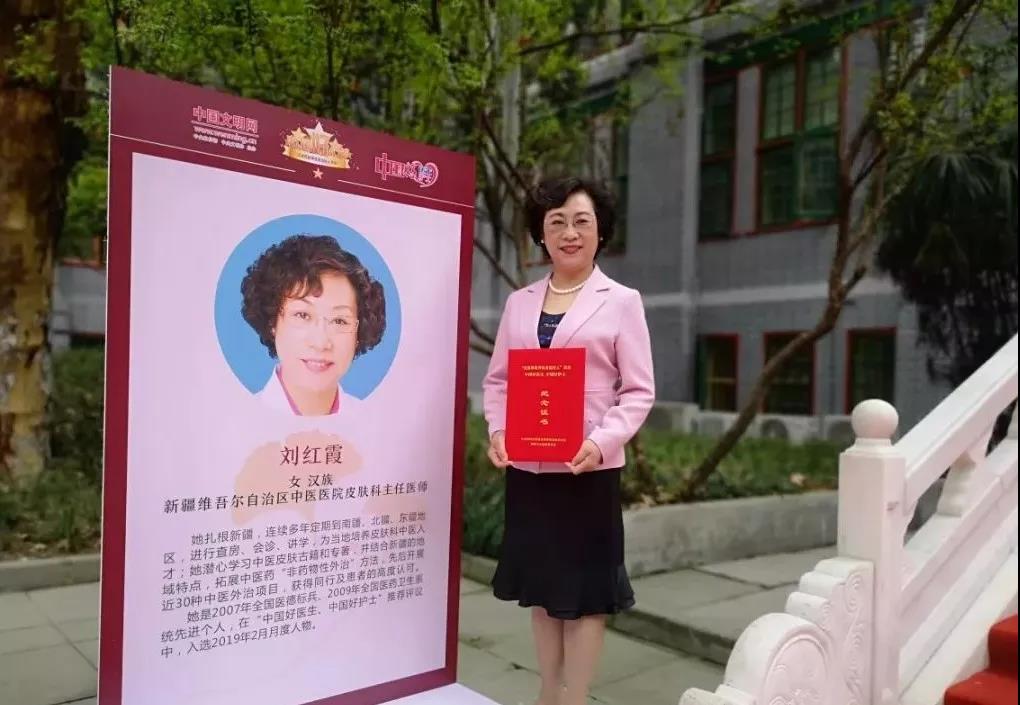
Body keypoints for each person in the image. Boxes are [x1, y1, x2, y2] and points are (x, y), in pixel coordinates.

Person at [482, 177, 655, 705]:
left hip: (588, 470)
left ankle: (574, 697)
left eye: (581, 221)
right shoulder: (519, 303)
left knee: (585, 595)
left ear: (600, 232)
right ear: (541, 234)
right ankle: (547, 691)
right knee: (542, 589)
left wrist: (602, 442)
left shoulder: (622, 301)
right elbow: (498, 381)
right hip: (530, 470)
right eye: (556, 222)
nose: (569, 233)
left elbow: (638, 391)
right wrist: (498, 430)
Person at [241, 234, 386, 416]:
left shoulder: (375, 423)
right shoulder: (238, 420)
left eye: (339, 321)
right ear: (272, 322)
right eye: (303, 315)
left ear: (359, 332)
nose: (320, 343)